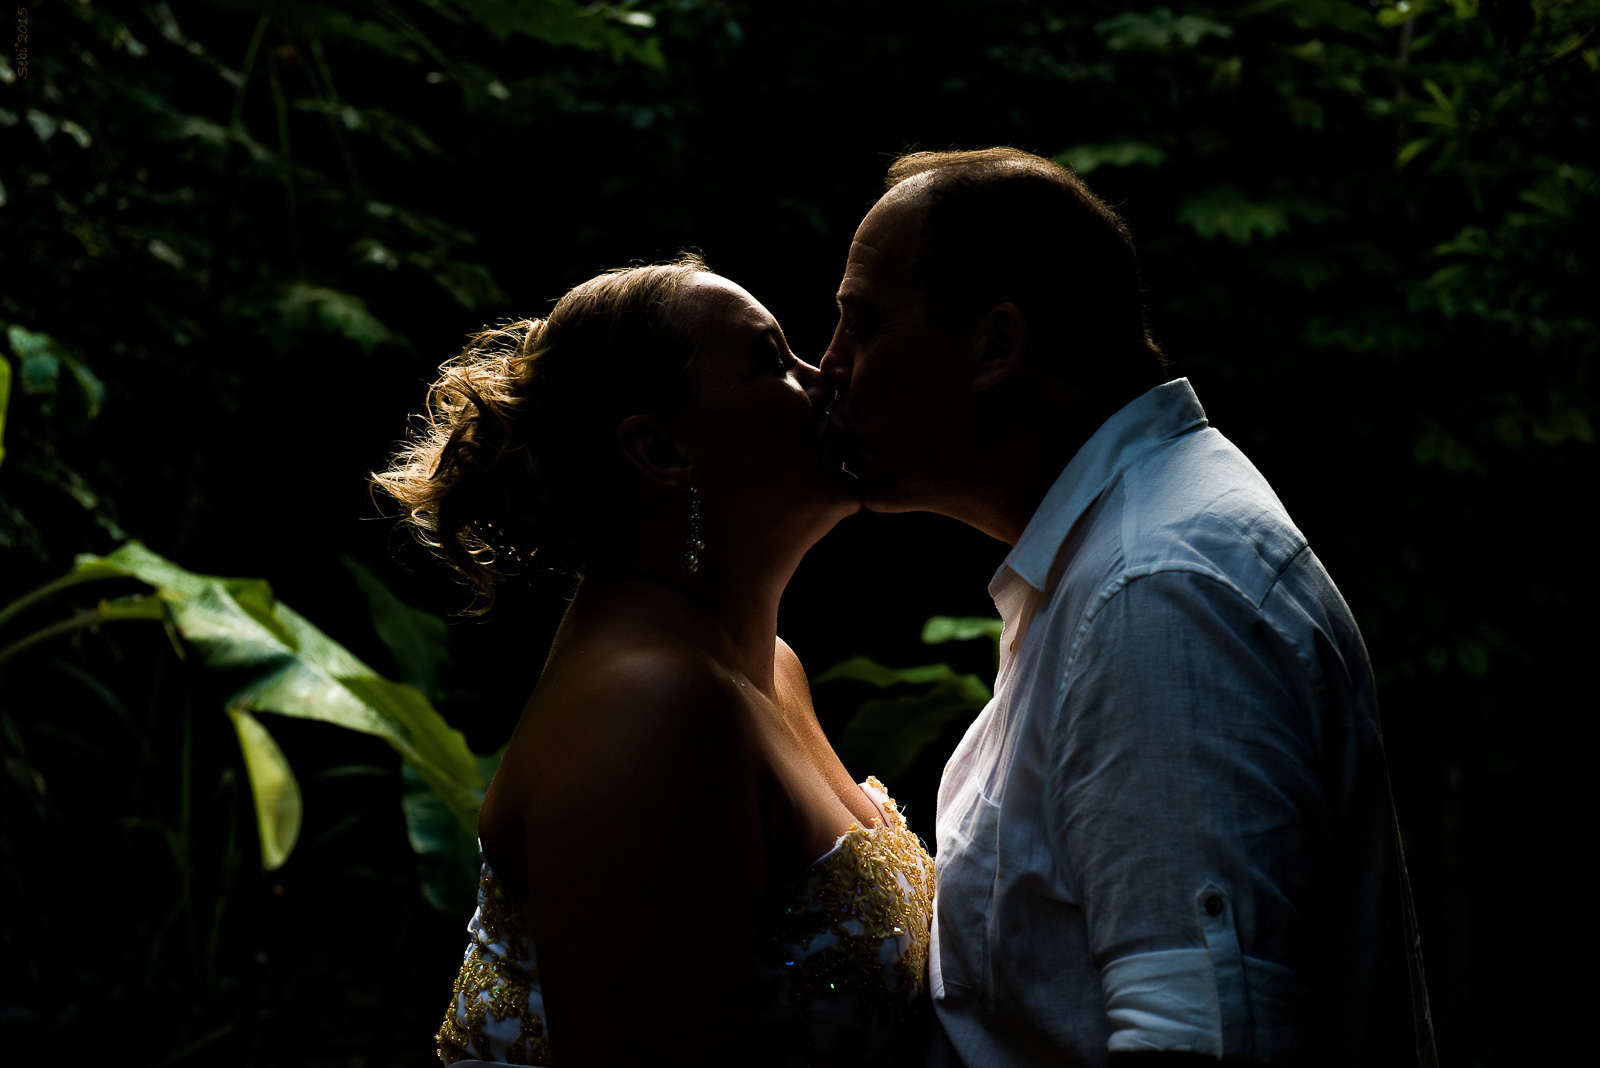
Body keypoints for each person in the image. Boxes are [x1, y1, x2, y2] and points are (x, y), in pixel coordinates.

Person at [818, 148, 1435, 1067]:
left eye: (860, 326)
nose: (828, 369)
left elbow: (1204, 1045)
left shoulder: (1155, 595)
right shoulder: (1122, 555)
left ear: (996, 347)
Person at [373, 255, 935, 1067]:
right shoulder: (652, 706)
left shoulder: (771, 668)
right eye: (772, 361)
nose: (826, 379)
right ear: (663, 452)